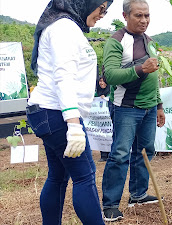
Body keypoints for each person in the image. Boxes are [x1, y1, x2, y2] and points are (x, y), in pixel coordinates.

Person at [26, 0, 112, 224]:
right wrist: (74, 126)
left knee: (58, 176)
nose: (103, 13)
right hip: (57, 113)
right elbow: (63, 77)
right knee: (85, 176)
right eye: (101, 7)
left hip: (50, 112)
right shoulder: (64, 28)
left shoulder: (66, 26)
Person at [101, 0, 165, 221]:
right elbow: (109, 75)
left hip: (148, 108)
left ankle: (137, 194)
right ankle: (109, 204)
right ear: (125, 16)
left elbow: (154, 77)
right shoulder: (116, 41)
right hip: (126, 108)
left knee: (145, 152)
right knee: (119, 155)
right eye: (139, 15)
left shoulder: (149, 41)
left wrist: (159, 105)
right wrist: (140, 68)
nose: (144, 20)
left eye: (147, 15)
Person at [95, 75, 111, 162]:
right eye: (100, 81)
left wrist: (105, 99)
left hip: (109, 119)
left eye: (103, 81)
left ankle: (110, 154)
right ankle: (103, 155)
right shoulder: (96, 93)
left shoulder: (111, 92)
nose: (101, 83)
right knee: (100, 134)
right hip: (99, 119)